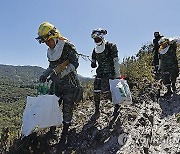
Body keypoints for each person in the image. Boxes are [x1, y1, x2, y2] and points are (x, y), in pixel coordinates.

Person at [36, 22, 80, 145]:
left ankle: (64, 135)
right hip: (56, 85)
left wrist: (61, 73)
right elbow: (51, 66)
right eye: (45, 42)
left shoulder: (67, 46)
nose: (47, 44)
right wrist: (45, 74)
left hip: (69, 85)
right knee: (52, 107)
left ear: (54, 36)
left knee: (67, 109)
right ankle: (52, 131)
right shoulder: (50, 51)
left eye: (48, 40)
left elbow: (75, 64)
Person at [90, 28, 120, 121]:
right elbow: (93, 59)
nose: (96, 40)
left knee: (106, 91)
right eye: (94, 38)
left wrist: (117, 74)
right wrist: (93, 63)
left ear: (102, 37)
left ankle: (117, 106)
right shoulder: (95, 50)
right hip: (100, 72)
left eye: (97, 38)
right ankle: (97, 111)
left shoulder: (111, 46)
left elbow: (116, 60)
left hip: (109, 72)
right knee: (96, 90)